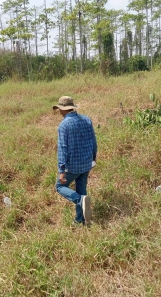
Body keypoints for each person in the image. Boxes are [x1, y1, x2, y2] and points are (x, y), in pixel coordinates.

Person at [53, 96, 97, 226]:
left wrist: (61, 170)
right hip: (86, 163)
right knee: (81, 188)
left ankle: (80, 200)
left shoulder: (64, 125)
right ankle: (80, 220)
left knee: (60, 187)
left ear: (63, 109)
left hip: (73, 166)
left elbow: (62, 149)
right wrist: (93, 158)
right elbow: (93, 141)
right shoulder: (86, 120)